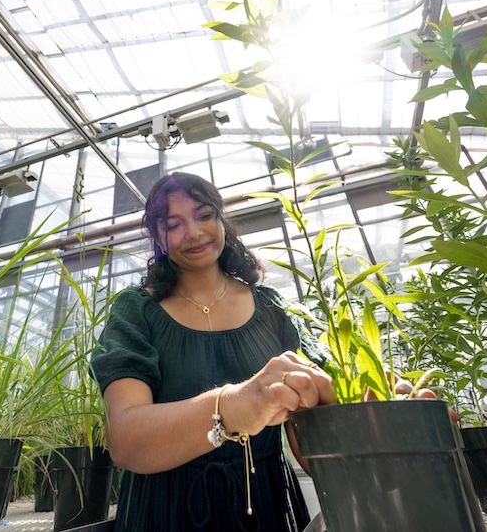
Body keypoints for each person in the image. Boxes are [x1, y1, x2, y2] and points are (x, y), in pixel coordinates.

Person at [90, 172, 336, 532]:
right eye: (174, 224)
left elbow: (315, 440)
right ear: (158, 237)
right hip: (163, 512)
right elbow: (126, 441)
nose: (193, 232)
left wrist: (383, 429)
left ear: (222, 220)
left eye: (204, 215)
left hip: (265, 508)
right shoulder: (137, 311)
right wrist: (233, 405)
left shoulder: (273, 309)